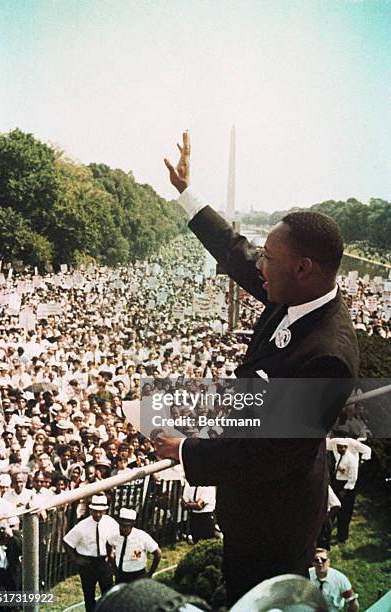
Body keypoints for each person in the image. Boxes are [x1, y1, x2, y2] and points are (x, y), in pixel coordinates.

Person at [157, 132, 359, 605]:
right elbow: (236, 253)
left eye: (270, 257)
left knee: (258, 600)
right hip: (259, 505)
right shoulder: (295, 291)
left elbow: (268, 456)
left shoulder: (327, 357)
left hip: (275, 522)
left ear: (304, 267)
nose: (259, 265)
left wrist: (186, 450)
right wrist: (187, 193)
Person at [63, 494, 119, 612]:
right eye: (95, 511)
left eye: (101, 512)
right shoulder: (82, 526)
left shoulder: (111, 523)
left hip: (105, 561)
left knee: (108, 593)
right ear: (90, 510)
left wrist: (113, 553)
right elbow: (67, 541)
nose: (98, 515)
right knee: (89, 595)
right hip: (88, 563)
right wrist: (75, 559)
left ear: (105, 510)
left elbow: (119, 539)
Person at [110, 508, 161, 584]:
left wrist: (150, 573)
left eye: (126, 526)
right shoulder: (115, 534)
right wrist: (113, 564)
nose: (123, 529)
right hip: (120, 573)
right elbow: (108, 544)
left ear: (132, 525)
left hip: (137, 574)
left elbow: (158, 553)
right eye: (121, 525)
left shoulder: (142, 536)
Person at [330, 440, 358, 543]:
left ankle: (343, 537)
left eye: (343, 447)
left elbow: (353, 477)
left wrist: (345, 490)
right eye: (339, 447)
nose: (340, 449)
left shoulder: (352, 459)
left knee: (345, 513)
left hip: (346, 487)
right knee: (337, 511)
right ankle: (338, 534)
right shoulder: (340, 456)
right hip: (338, 484)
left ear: (347, 447)